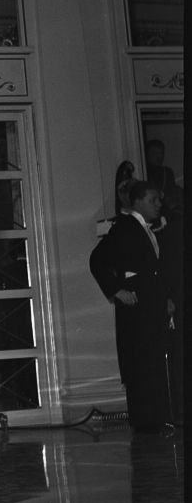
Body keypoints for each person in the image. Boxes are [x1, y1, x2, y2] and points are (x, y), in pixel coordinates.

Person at [89, 180, 174, 433]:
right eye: (153, 200)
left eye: (159, 200)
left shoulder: (145, 229)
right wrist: (117, 290)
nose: (159, 205)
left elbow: (152, 272)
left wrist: (165, 298)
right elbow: (97, 260)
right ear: (137, 202)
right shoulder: (125, 227)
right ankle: (147, 423)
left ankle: (155, 420)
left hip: (150, 306)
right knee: (141, 364)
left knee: (152, 362)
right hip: (138, 310)